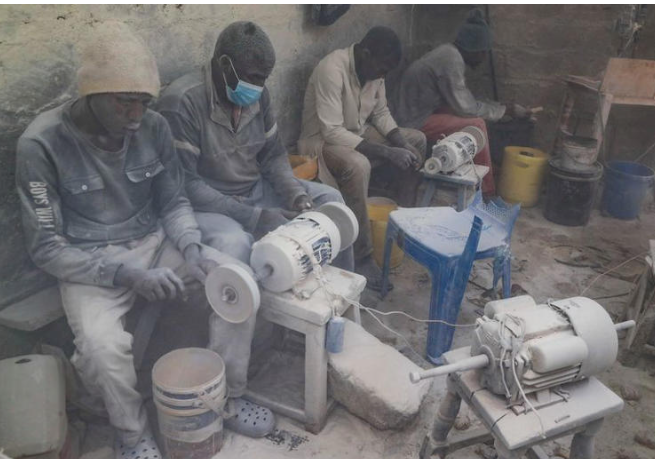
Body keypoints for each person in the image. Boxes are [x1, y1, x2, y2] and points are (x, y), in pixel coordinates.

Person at [15, 22, 274, 458]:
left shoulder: (152, 127)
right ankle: (132, 435)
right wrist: (125, 274)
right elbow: (46, 248)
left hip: (155, 242)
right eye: (125, 104)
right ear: (91, 93)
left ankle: (228, 396)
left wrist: (191, 251)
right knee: (102, 346)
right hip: (89, 264)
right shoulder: (41, 144)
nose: (136, 116)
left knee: (235, 281)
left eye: (143, 103)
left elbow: (173, 202)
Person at [157, 21, 353, 272]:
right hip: (208, 203)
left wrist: (295, 194)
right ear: (225, 64)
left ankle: (341, 291)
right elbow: (187, 184)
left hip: (254, 189)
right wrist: (255, 217)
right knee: (234, 242)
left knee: (329, 200)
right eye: (254, 78)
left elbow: (272, 154)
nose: (259, 87)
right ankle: (256, 308)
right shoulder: (182, 102)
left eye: (264, 79)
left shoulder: (259, 95)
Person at [297, 26, 427, 290]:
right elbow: (332, 131)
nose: (384, 75)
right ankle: (363, 256)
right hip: (321, 142)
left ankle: (404, 225)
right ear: (365, 53)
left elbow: (380, 113)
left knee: (417, 140)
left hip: (357, 133)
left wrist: (401, 144)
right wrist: (388, 152)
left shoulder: (375, 71)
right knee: (359, 165)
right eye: (382, 69)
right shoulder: (331, 69)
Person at [392, 8, 530, 196]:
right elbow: (467, 108)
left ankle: (481, 168)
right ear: (473, 49)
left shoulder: (449, 53)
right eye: (483, 52)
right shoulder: (451, 59)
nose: (483, 58)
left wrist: (499, 107)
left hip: (419, 112)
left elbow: (464, 99)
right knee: (477, 124)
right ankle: (486, 189)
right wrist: (505, 111)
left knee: (466, 117)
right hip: (412, 120)